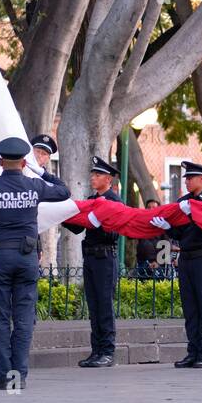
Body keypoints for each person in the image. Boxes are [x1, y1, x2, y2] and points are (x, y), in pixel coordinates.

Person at [0, 137, 71, 390]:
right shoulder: (34, 186)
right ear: (24, 162)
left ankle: (4, 377)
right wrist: (41, 171)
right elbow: (64, 191)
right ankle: (19, 377)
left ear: (1, 162)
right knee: (24, 319)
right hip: (26, 260)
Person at [156, 161, 202, 368]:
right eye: (186, 178)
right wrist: (168, 227)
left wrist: (192, 213)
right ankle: (193, 351)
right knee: (190, 308)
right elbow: (179, 233)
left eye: (190, 178)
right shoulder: (183, 201)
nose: (186, 181)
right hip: (187, 257)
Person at [64, 156, 123, 368]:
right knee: (93, 305)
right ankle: (96, 350)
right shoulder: (90, 199)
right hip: (89, 256)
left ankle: (107, 351)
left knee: (104, 305)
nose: (93, 177)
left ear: (108, 179)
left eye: (97, 175)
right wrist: (64, 215)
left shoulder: (115, 202)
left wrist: (98, 221)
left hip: (105, 256)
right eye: (93, 174)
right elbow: (78, 227)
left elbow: (115, 233)